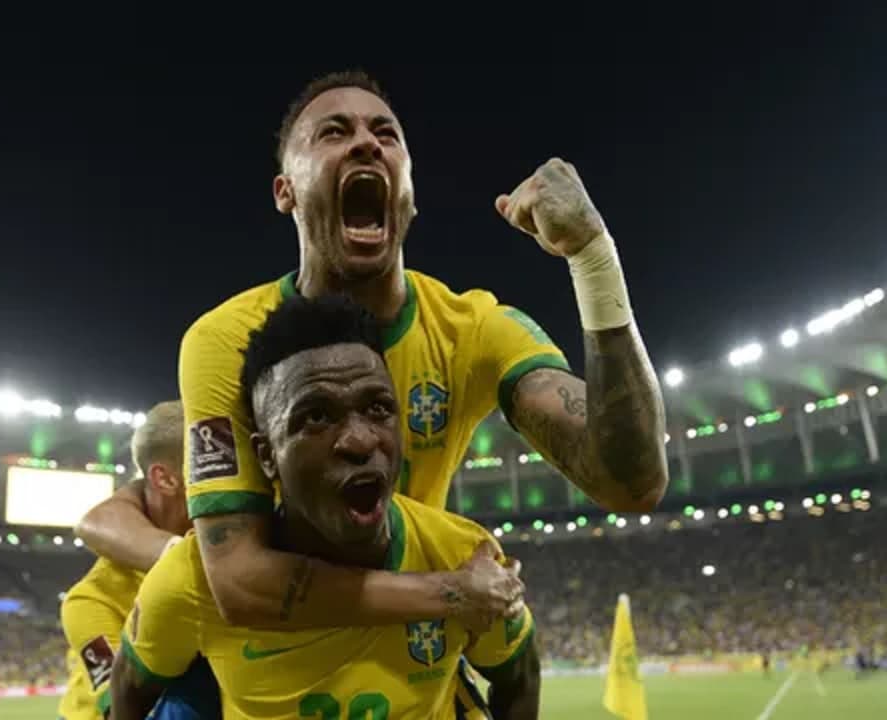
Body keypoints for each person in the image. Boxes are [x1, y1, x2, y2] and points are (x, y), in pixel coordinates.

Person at [170, 69, 668, 632]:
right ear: (285, 190)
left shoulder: (474, 329)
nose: (366, 142)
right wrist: (452, 594)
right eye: (333, 133)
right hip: (281, 669)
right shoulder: (226, 340)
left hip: (418, 662)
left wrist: (593, 257)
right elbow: (239, 581)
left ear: (409, 192)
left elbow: (632, 481)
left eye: (386, 134)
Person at [110, 295, 541, 720]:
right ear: (267, 456)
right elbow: (129, 689)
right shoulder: (190, 582)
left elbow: (519, 676)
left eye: (378, 408)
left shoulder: (466, 554)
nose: (360, 440)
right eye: (316, 417)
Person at [57, 400, 218, 720]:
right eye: (212, 464)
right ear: (166, 479)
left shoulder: (232, 545)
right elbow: (119, 707)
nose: (230, 479)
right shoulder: (91, 601)